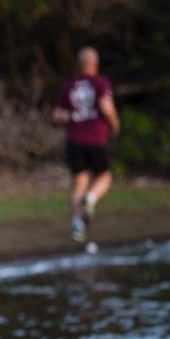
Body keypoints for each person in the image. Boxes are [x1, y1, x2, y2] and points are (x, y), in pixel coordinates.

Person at [51, 47, 119, 243]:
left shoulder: (69, 86)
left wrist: (70, 117)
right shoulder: (100, 83)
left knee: (79, 182)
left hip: (74, 140)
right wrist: (114, 124)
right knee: (104, 176)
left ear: (79, 64)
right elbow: (106, 107)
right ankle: (91, 199)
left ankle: (77, 228)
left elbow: (56, 115)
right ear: (95, 64)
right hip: (96, 138)